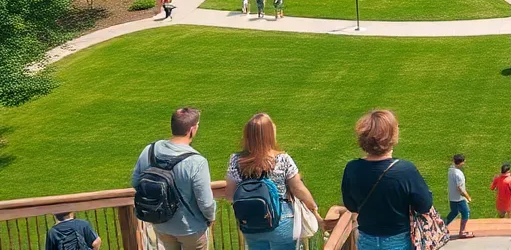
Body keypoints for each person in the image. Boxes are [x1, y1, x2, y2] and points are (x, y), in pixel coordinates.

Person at [225, 113, 321, 250]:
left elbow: (230, 194)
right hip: (281, 220)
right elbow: (298, 188)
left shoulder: (235, 160)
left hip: (250, 223)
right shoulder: (283, 159)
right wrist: (313, 207)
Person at [341, 110, 434, 250]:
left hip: (367, 239)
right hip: (399, 240)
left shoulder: (352, 168)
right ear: (392, 137)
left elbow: (351, 205)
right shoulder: (405, 170)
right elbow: (424, 205)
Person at [131, 107, 215, 250]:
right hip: (191, 228)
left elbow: (135, 182)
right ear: (192, 130)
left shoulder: (150, 150)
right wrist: (211, 217)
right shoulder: (197, 161)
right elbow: (205, 202)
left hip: (161, 224)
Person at [444, 154, 473, 239]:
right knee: (466, 213)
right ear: (461, 163)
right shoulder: (458, 174)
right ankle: (462, 232)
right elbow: (460, 189)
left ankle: (441, 227)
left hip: (452, 197)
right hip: (459, 199)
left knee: (454, 212)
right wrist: (468, 197)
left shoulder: (450, 170)